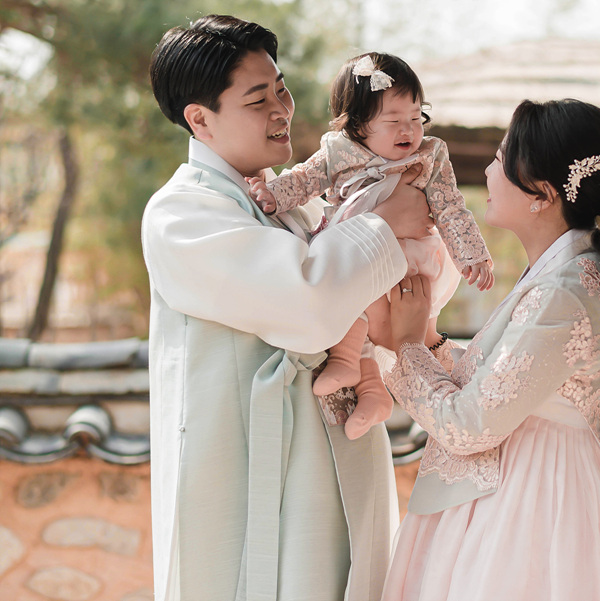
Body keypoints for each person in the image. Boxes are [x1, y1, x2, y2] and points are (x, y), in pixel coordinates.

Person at [143, 14, 432, 601]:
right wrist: (385, 222)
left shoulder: (299, 204)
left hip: (340, 442)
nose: (282, 110)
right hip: (251, 460)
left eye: (282, 90)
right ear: (200, 119)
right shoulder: (183, 213)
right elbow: (308, 305)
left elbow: (390, 303)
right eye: (258, 100)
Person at [382, 99, 600, 600]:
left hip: (544, 504)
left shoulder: (563, 291)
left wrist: (404, 347)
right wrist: (432, 342)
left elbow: (469, 423)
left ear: (542, 194)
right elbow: (506, 383)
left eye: (500, 159)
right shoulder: (568, 270)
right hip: (561, 483)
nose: (488, 171)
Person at [247, 52, 494, 440]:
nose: (408, 130)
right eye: (393, 121)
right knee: (351, 289)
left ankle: (353, 363)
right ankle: (370, 387)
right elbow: (304, 180)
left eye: (416, 117)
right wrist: (273, 194)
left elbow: (450, 206)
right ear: (358, 125)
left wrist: (472, 254)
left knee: (375, 301)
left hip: (411, 256)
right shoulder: (339, 152)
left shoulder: (430, 154)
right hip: (362, 244)